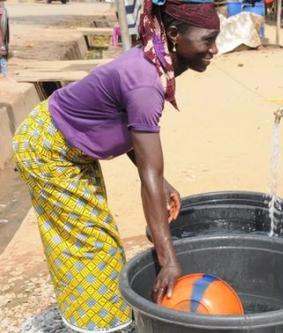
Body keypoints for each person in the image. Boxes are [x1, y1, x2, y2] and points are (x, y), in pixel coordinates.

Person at [12, 0, 220, 331]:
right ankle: (102, 325)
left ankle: (102, 319)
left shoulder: (153, 60)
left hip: (72, 147)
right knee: (93, 245)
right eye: (208, 40)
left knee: (93, 236)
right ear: (176, 34)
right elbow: (149, 173)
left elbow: (132, 139)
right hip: (49, 149)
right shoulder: (145, 82)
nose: (214, 50)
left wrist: (163, 187)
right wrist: (168, 261)